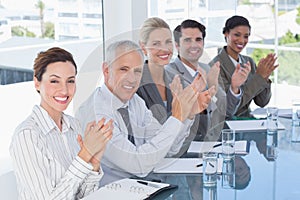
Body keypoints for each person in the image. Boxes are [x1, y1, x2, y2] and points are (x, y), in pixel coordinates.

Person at [76, 40, 203, 186]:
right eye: (123, 69)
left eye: (137, 71)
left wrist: (187, 115)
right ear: (106, 71)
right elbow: (138, 166)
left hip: (141, 188)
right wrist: (177, 116)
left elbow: (168, 149)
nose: (132, 79)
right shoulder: (98, 115)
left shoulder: (135, 101)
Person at [9, 47, 113, 200]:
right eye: (54, 81)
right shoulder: (27, 136)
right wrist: (85, 154)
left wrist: (94, 162)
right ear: (37, 83)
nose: (64, 90)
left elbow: (84, 196)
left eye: (70, 81)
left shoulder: (74, 126)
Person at [166, 19, 249, 143]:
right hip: (187, 146)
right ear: (177, 45)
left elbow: (227, 111)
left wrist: (234, 87)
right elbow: (179, 119)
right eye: (187, 40)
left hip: (214, 143)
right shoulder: (169, 74)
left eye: (198, 40)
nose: (194, 45)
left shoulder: (207, 68)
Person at [210, 15, 278, 118]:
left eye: (246, 36)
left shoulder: (248, 61)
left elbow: (262, 102)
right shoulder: (215, 66)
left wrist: (265, 77)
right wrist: (258, 77)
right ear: (226, 34)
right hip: (226, 125)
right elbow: (229, 108)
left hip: (246, 122)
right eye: (237, 35)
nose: (242, 41)